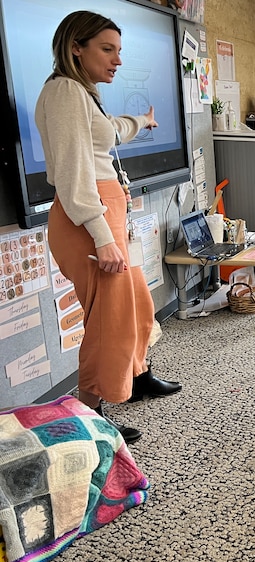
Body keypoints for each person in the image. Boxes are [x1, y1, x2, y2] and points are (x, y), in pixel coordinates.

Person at [36, 11, 181, 444]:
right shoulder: (64, 92)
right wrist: (103, 238)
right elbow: (74, 174)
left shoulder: (85, 93)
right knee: (109, 321)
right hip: (88, 220)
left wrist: (143, 122)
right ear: (75, 47)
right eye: (107, 49)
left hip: (104, 214)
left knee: (135, 304)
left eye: (119, 51)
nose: (117, 60)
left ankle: (137, 378)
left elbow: (108, 132)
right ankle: (89, 413)